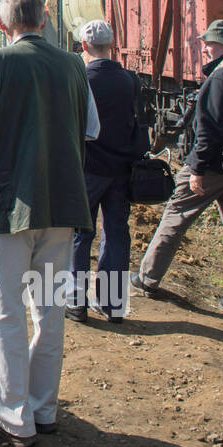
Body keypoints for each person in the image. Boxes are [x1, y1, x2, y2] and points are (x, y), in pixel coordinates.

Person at [0, 0, 99, 447]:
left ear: (3, 25)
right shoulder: (76, 66)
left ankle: (15, 420)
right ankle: (44, 409)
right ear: (45, 20)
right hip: (62, 207)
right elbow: (92, 128)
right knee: (49, 311)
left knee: (6, 313)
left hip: (5, 210)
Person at [133, 20, 223, 316]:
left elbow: (209, 131)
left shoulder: (221, 79)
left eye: (209, 42)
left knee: (176, 215)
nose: (205, 47)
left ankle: (147, 279)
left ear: (222, 45)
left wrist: (196, 168)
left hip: (213, 167)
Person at [69, 19, 145, 324]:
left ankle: (76, 303)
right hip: (121, 170)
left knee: (79, 235)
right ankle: (113, 305)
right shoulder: (130, 80)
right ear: (111, 45)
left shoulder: (80, 80)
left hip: (88, 170)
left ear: (85, 47)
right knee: (117, 234)